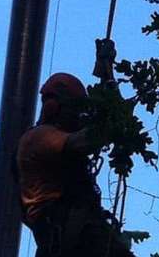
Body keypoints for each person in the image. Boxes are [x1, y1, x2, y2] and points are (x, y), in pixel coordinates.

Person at [16, 72, 135, 257]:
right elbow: (86, 140)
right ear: (55, 107)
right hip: (68, 234)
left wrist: (108, 78)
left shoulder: (57, 139)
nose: (78, 118)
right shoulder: (39, 137)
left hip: (75, 232)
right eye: (75, 111)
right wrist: (108, 117)